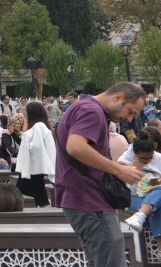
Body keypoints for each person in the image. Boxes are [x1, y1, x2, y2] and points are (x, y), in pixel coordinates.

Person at [57, 82, 146, 267]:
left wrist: (112, 167)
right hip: (89, 199)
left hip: (83, 198)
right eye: (130, 111)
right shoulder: (92, 111)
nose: (130, 119)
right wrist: (117, 169)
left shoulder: (87, 108)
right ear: (118, 97)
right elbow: (75, 147)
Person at [15, 101, 56, 207]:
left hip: (28, 170)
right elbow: (51, 152)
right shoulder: (45, 130)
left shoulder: (31, 132)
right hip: (37, 171)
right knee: (40, 196)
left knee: (20, 197)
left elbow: (28, 152)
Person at [120, 135, 161, 241]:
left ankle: (140, 215)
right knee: (157, 207)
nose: (147, 161)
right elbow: (124, 183)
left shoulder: (159, 159)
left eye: (150, 158)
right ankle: (160, 248)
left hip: (153, 196)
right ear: (135, 153)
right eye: (143, 158)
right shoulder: (125, 160)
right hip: (132, 197)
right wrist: (137, 166)